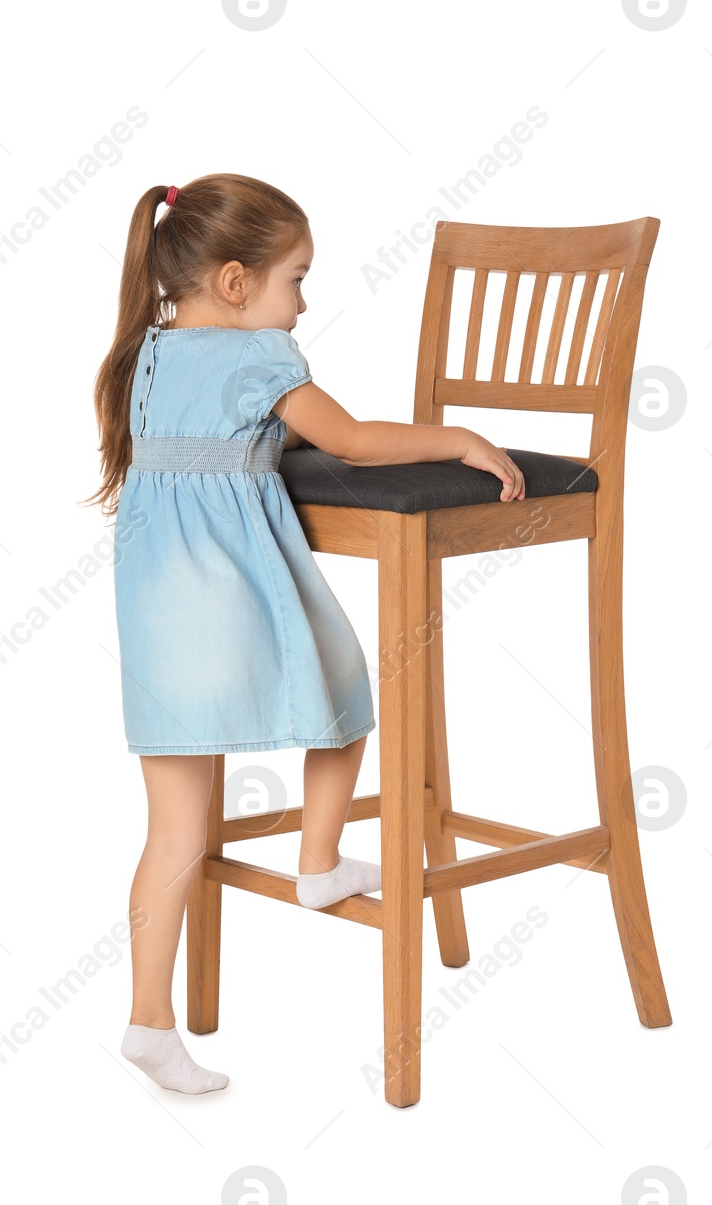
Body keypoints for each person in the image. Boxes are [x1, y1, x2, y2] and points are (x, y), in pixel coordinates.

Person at [86, 174, 525, 1094]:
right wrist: (460, 438)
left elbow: (220, 448)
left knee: (173, 831)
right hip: (228, 595)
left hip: (152, 609)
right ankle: (319, 860)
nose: (304, 298)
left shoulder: (149, 353)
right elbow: (355, 440)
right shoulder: (264, 356)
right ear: (237, 281)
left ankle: (148, 1019)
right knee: (347, 692)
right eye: (297, 278)